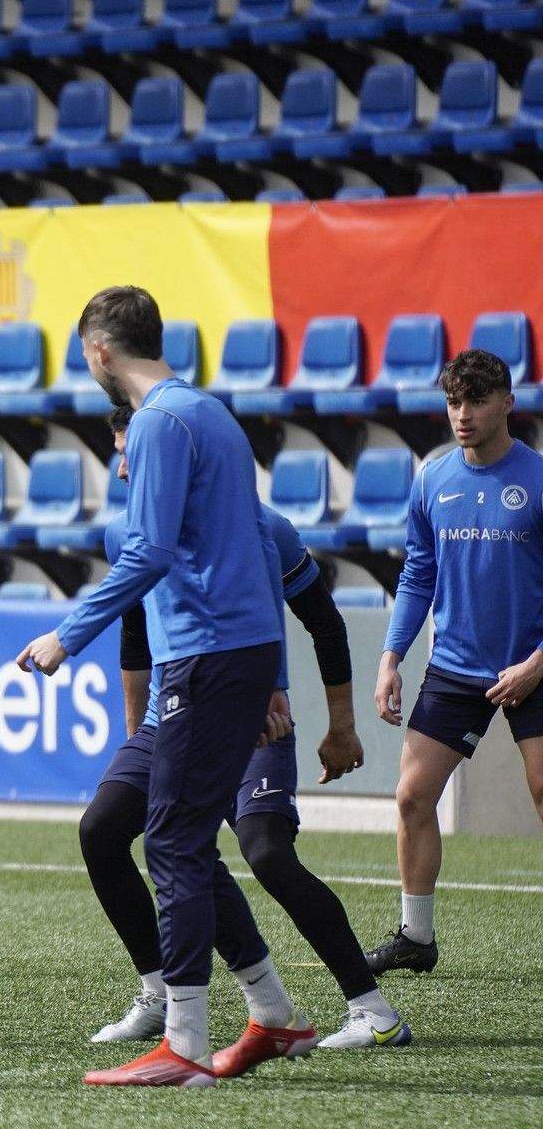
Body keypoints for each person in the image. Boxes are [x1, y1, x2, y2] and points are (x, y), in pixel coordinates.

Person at [18, 285, 303, 1088]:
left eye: (85, 355)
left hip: (207, 656)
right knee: (180, 837)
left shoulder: (157, 423)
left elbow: (144, 554)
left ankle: (183, 1045)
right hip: (232, 650)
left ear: (100, 351)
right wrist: (272, 675)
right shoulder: (209, 412)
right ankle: (274, 1013)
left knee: (173, 842)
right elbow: (250, 545)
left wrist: (64, 636)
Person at [80, 406, 408, 1054]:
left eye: (131, 452)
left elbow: (324, 622)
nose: (123, 465)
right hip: (169, 718)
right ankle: (159, 995)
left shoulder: (264, 529)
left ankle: (373, 1010)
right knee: (101, 830)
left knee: (266, 853)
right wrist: (133, 732)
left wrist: (341, 726)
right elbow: (136, 631)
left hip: (254, 718)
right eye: (119, 451)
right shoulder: (126, 533)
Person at [370, 348, 543, 975]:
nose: (462, 414)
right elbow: (418, 573)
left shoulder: (539, 478)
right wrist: (392, 656)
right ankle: (416, 937)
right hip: (455, 667)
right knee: (413, 796)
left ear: (506, 404)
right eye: (453, 402)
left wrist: (536, 666)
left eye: (475, 401)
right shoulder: (433, 479)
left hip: (535, 665)